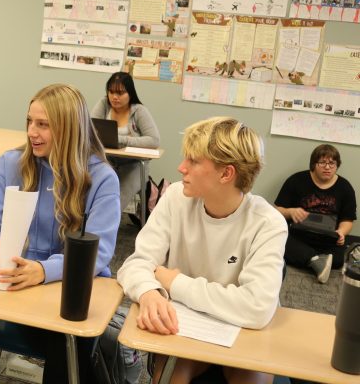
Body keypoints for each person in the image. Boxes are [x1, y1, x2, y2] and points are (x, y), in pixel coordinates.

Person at [0, 83, 120, 383]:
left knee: (67, 342)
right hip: (18, 289)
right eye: (29, 122)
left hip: (70, 292)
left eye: (43, 125)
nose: (31, 132)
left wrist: (43, 270)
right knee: (69, 352)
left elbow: (98, 254)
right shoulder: (12, 163)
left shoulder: (101, 178)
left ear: (69, 129)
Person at [117, 117, 287, 384]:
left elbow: (256, 308)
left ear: (226, 174)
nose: (181, 167)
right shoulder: (175, 197)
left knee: (251, 377)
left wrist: (174, 283)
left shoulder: (268, 222)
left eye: (193, 161)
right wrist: (149, 292)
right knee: (173, 374)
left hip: (244, 330)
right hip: (188, 326)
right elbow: (135, 264)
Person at [275, 144, 356, 283]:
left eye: (332, 163)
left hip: (329, 238)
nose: (327, 167)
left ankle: (309, 259)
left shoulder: (345, 187)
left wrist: (342, 232)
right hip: (299, 236)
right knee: (280, 241)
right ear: (313, 164)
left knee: (340, 258)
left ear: (337, 165)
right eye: (322, 162)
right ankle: (319, 261)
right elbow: (276, 210)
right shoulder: (296, 180)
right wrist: (290, 211)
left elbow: (348, 220)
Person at [90, 71, 160, 212]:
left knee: (118, 195)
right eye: (111, 92)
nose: (115, 97)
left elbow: (154, 140)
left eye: (120, 93)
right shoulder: (104, 104)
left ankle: (104, 227)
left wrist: (121, 140)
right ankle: (86, 224)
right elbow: (90, 130)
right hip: (106, 160)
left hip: (134, 165)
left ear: (130, 93)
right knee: (89, 188)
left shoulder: (139, 110)